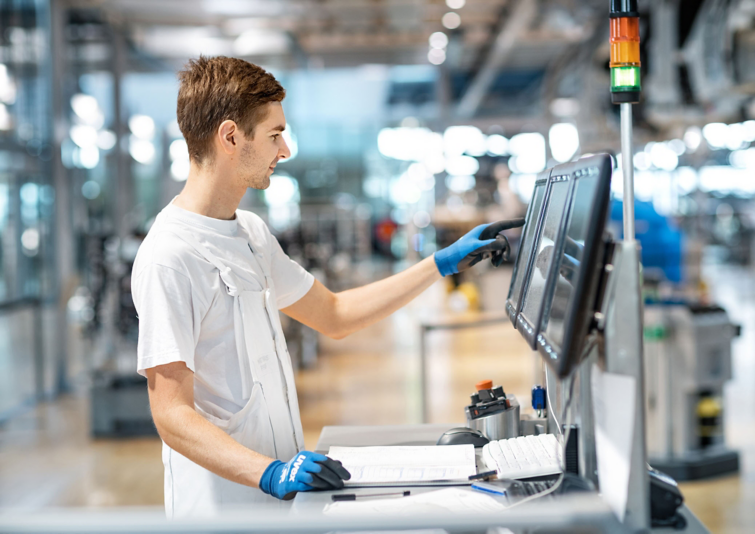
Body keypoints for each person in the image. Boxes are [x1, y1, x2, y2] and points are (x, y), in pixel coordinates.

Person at [132, 56, 523, 518]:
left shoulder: (251, 233)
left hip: (280, 500)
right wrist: (268, 472)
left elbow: (333, 314)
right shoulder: (170, 256)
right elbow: (172, 415)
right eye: (275, 134)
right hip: (223, 510)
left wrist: (438, 265)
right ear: (231, 136)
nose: (286, 150)